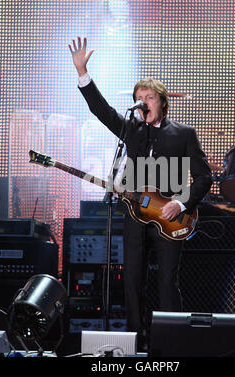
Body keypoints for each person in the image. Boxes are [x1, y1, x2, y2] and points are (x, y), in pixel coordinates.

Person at [69, 37, 213, 350]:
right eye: (139, 97)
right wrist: (83, 73)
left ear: (162, 101)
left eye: (149, 96)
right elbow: (102, 110)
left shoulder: (183, 133)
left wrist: (180, 202)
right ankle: (137, 341)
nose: (143, 101)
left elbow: (204, 177)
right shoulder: (131, 130)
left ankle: (172, 342)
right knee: (132, 279)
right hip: (134, 214)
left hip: (169, 215)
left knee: (165, 281)